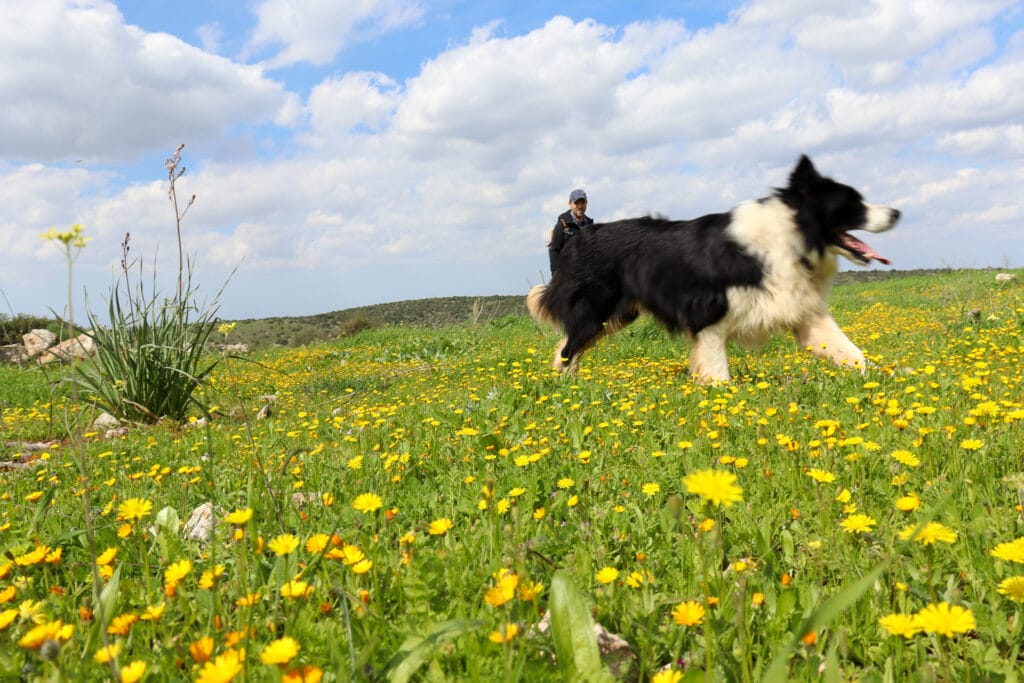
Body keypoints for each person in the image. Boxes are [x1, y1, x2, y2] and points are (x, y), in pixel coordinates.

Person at [548, 188, 593, 277]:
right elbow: (554, 250)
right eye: (576, 203)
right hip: (567, 275)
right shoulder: (562, 225)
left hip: (586, 274)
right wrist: (556, 275)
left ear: (586, 203)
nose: (580, 206)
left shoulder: (590, 225)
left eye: (582, 202)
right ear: (570, 204)